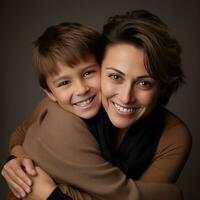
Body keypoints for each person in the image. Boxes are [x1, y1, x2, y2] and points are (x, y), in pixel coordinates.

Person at [2, 10, 191, 200]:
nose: (126, 98)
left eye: (144, 83)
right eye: (115, 76)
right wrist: (16, 161)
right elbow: (19, 136)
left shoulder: (173, 136)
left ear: (161, 86)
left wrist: (52, 194)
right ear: (101, 65)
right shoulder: (70, 104)